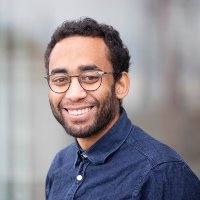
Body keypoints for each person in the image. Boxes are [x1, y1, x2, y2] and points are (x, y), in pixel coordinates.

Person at [44, 17, 200, 200]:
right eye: (60, 80)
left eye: (90, 77)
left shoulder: (161, 173)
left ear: (121, 85)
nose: (74, 94)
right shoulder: (60, 166)